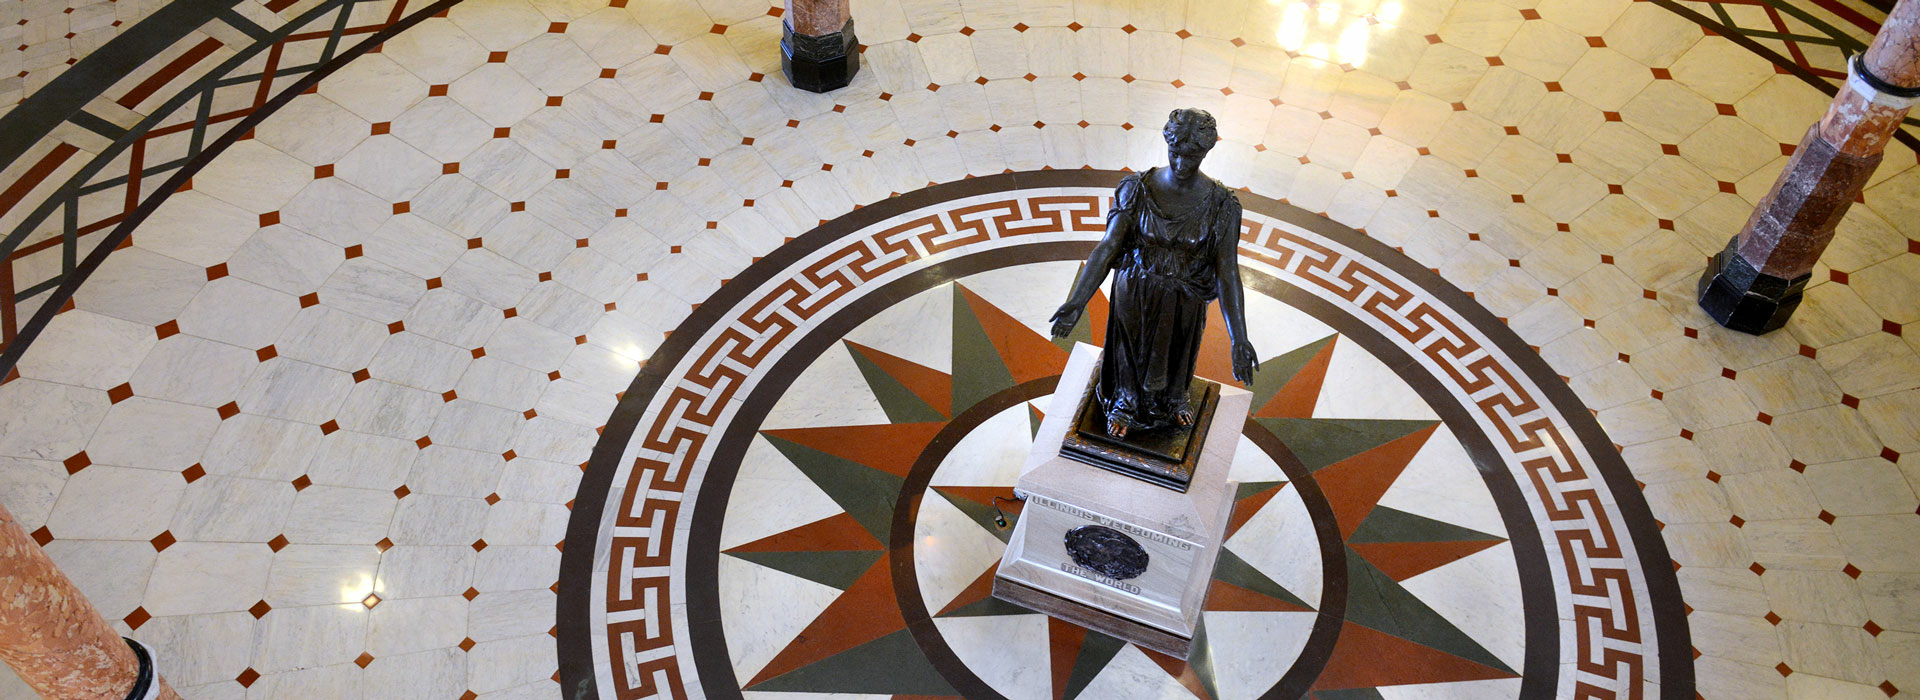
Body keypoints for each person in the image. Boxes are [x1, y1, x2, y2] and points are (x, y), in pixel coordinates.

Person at [1049, 108, 1259, 440]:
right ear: (1166, 143)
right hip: (1136, 288)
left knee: (1180, 351)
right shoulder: (1136, 188)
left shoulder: (1223, 206)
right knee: (1130, 351)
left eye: (1191, 156)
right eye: (1175, 152)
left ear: (1206, 152)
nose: (1181, 163)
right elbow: (1108, 247)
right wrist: (1076, 301)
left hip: (1186, 296)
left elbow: (1228, 272)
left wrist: (1239, 338)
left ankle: (1174, 397)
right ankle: (1125, 401)